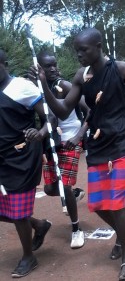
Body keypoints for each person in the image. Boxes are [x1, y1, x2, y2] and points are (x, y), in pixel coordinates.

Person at [29, 28, 125, 281]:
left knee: (116, 202)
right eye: (76, 50)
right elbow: (64, 110)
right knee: (97, 205)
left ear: (98, 46)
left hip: (122, 142)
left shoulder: (121, 69)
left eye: (83, 49)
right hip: (97, 145)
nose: (78, 54)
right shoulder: (81, 76)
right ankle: (124, 234)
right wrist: (43, 84)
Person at [0, 49, 54, 278]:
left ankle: (28, 257)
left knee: (18, 211)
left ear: (5, 63)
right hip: (1, 158)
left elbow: (49, 116)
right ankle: (39, 225)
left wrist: (41, 133)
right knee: (7, 209)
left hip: (23, 155)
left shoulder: (21, 86)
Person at [36, 51, 90, 249]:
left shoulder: (64, 85)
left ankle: (76, 229)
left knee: (64, 186)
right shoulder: (37, 88)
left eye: (54, 65)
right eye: (47, 66)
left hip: (69, 140)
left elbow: (89, 110)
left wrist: (79, 136)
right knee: (51, 188)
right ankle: (74, 194)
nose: (53, 69)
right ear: (39, 68)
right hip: (51, 142)